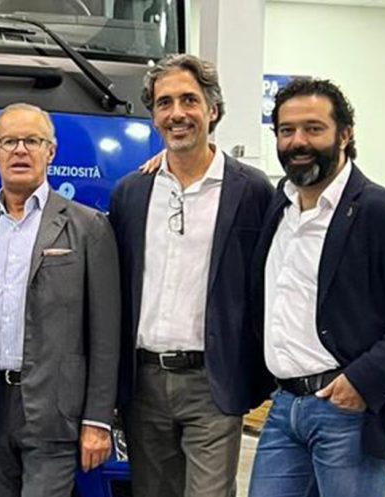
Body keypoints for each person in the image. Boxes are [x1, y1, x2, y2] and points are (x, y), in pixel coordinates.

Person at [248, 78, 385, 497]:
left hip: (346, 410)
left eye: (314, 128)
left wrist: (363, 381)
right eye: (287, 130)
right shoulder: (279, 207)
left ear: (345, 134)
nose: (298, 141)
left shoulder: (381, 212)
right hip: (284, 407)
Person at [108, 54, 273, 497]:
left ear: (212, 109)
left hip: (212, 382)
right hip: (143, 383)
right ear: (153, 116)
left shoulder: (252, 190)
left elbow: (266, 283)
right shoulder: (131, 193)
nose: (176, 113)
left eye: (189, 100)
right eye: (164, 103)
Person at [0, 102, 121, 497]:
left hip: (56, 412)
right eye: (8, 142)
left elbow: (106, 334)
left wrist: (99, 419)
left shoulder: (88, 228)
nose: (20, 151)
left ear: (51, 151)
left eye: (32, 141)